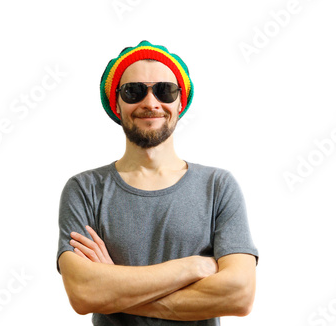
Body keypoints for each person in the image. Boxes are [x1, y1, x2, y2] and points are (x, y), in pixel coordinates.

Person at [56, 40, 259, 325]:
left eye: (165, 90)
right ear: (117, 103)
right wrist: (193, 267)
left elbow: (239, 295)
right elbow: (83, 292)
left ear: (180, 102)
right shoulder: (85, 190)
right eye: (133, 91)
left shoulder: (218, 186)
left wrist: (114, 292)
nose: (151, 103)